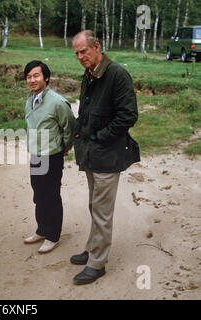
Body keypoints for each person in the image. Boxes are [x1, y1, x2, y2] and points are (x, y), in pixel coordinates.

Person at [70, 30, 140, 285]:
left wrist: (100, 137)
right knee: (94, 205)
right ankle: (92, 248)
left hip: (107, 156)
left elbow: (128, 116)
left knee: (101, 211)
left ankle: (97, 264)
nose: (80, 57)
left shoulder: (117, 75)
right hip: (91, 153)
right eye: (76, 53)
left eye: (83, 51)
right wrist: (77, 135)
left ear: (97, 46)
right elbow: (86, 111)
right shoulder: (89, 75)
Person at [23, 60, 76, 254]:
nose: (32, 80)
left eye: (36, 75)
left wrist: (64, 148)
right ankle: (42, 229)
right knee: (38, 194)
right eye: (29, 76)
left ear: (46, 78)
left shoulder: (57, 102)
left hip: (52, 156)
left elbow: (70, 127)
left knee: (51, 196)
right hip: (36, 156)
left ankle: (53, 236)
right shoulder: (30, 100)